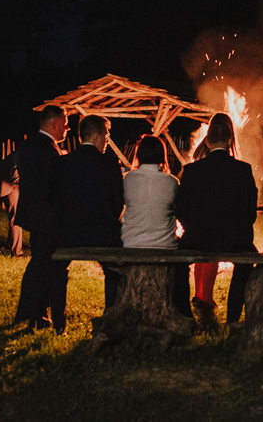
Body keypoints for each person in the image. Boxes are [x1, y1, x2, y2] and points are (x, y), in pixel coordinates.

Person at [176, 116, 258, 325]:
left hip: (198, 238)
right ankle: (232, 319)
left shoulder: (192, 171)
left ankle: (186, 315)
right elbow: (251, 213)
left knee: (177, 264)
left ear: (207, 142)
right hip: (235, 240)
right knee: (245, 264)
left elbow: (181, 208)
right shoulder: (244, 169)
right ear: (230, 141)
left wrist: (192, 228)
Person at [49, 115, 124, 334]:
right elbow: (118, 201)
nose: (108, 140)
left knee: (58, 270)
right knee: (114, 271)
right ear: (98, 136)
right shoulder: (109, 164)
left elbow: (53, 198)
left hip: (66, 234)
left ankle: (58, 323)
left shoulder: (61, 163)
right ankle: (110, 318)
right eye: (107, 136)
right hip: (102, 234)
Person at [14, 105, 69, 331]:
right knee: (42, 265)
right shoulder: (47, 149)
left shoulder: (30, 144)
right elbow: (52, 185)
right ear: (54, 124)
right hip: (46, 215)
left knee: (39, 262)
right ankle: (33, 311)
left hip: (33, 213)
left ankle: (30, 310)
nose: (67, 128)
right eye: (65, 124)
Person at [122, 136, 179, 249]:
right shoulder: (172, 182)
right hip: (165, 244)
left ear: (139, 154)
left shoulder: (128, 179)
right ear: (162, 155)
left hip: (132, 242)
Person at [0, 150, 23, 257]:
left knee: (14, 216)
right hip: (9, 186)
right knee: (16, 218)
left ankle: (10, 244)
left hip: (7, 184)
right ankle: (17, 252)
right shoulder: (20, 156)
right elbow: (15, 175)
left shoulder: (19, 154)